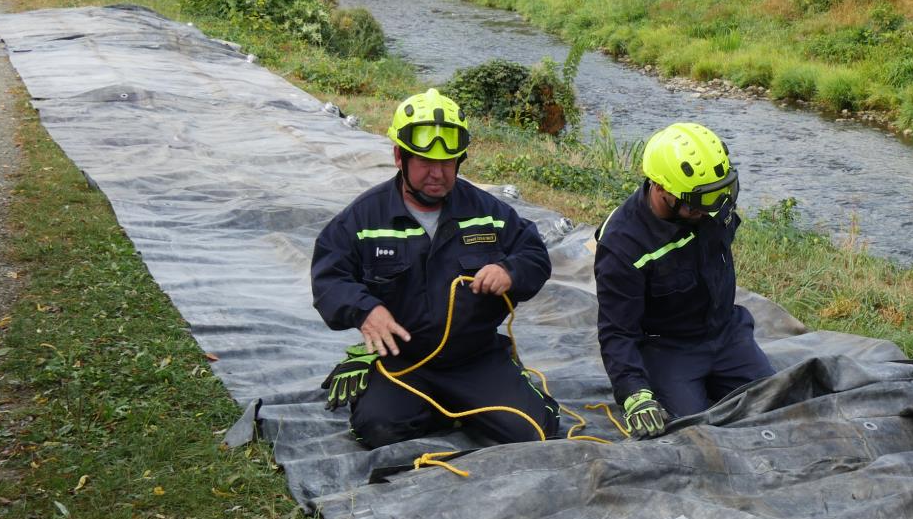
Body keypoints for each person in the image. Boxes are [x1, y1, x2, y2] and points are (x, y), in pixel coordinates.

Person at [311, 88, 559, 449]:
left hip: (475, 358)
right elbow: (329, 278)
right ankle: (451, 409)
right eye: (426, 162)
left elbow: (534, 253)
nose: (437, 174)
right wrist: (365, 312)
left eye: (447, 163)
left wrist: (510, 271)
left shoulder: (487, 212)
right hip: (404, 362)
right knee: (377, 430)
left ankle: (465, 404)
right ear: (399, 156)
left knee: (534, 431)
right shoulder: (364, 218)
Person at [594, 122, 773, 438]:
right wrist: (633, 392)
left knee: (776, 404)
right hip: (668, 348)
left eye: (717, 194)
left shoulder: (708, 206)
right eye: (698, 201)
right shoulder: (623, 244)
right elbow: (617, 330)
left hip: (726, 332)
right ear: (661, 189)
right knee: (692, 434)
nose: (709, 209)